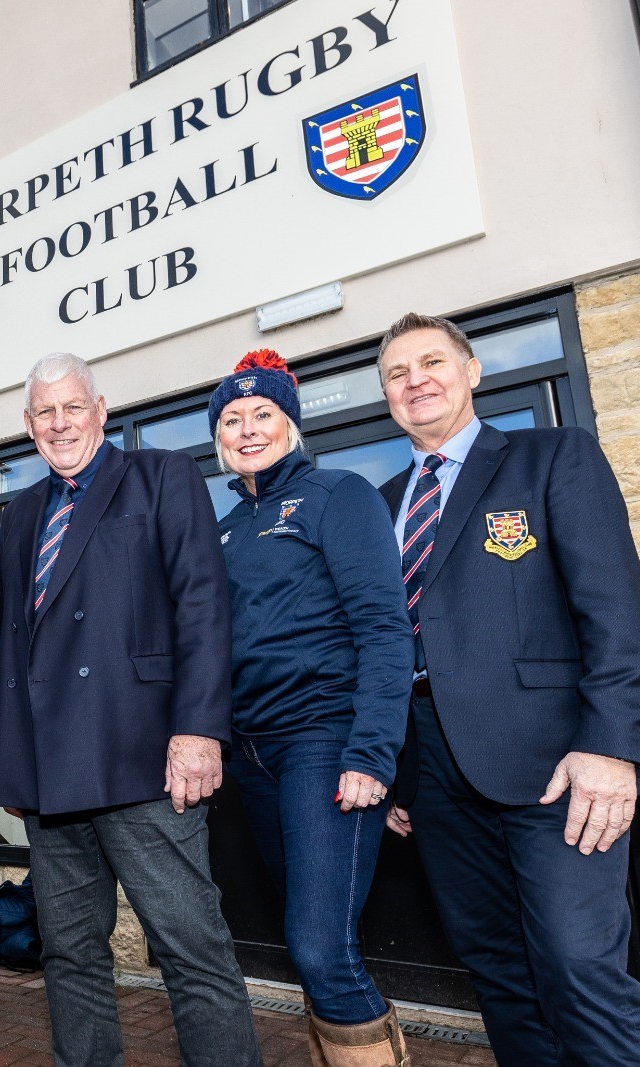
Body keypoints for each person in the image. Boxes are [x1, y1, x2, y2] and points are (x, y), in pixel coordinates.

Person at [376, 312, 640, 1066]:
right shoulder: (380, 504)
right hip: (433, 770)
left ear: (472, 371)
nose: (417, 381)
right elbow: (382, 644)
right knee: (497, 969)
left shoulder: (552, 457)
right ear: (387, 397)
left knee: (577, 965)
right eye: (398, 374)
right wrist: (396, 767)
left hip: (555, 761)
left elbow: (613, 609)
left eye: (432, 362)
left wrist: (611, 744)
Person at [0, 353, 261, 1067]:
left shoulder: (161, 476)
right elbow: (13, 643)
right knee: (71, 956)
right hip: (53, 779)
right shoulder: (21, 514)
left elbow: (204, 605)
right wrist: (14, 767)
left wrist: (200, 729)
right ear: (28, 426)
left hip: (145, 759)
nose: (59, 423)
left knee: (192, 950)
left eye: (72, 407)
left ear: (101, 410)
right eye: (45, 412)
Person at [210, 349, 414, 1065]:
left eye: (262, 413)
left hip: (323, 742)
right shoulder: (226, 528)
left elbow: (386, 629)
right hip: (257, 758)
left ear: (291, 423)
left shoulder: (339, 494)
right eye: (232, 419)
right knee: (312, 944)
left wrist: (372, 752)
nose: (247, 427)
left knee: (321, 947)